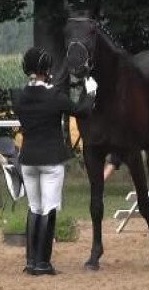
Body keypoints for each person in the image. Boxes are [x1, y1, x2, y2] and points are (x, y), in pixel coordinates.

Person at [13, 46, 97, 275]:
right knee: (49, 208)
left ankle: (31, 261)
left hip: (28, 159)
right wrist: (91, 92)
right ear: (45, 70)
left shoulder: (18, 97)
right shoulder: (55, 97)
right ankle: (44, 262)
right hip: (50, 159)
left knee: (34, 208)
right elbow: (82, 111)